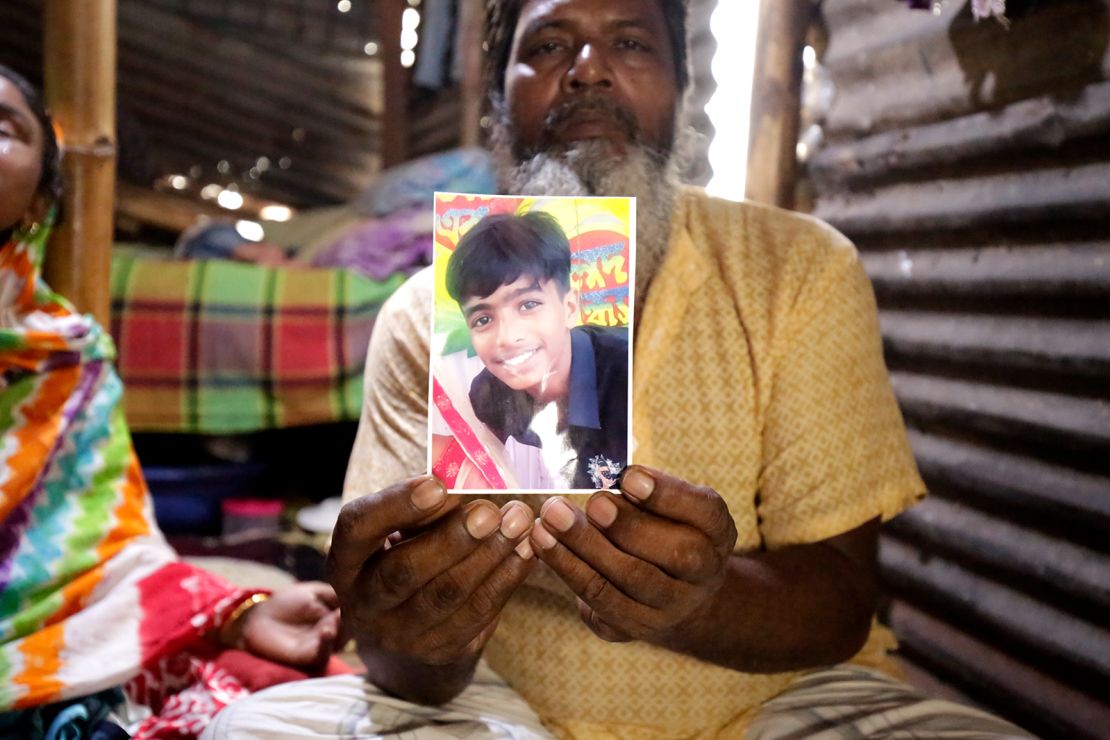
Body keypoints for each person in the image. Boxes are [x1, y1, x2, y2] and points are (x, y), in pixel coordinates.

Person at [210, 1, 1034, 737]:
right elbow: (405, 670)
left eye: (632, 43)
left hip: (772, 703)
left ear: (680, 93)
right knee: (250, 730)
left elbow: (842, 603)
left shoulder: (800, 269)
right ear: (499, 101)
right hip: (500, 706)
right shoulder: (426, 318)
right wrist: (403, 635)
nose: (589, 69)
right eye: (550, 44)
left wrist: (701, 598)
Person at [0, 65, 345, 739]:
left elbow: (110, 555)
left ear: (41, 198)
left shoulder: (65, 360)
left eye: (1, 128)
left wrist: (241, 614)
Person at [433, 211, 628, 491]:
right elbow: (490, 469)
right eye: (483, 320)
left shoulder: (629, 374)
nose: (507, 337)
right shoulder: (489, 394)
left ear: (570, 308)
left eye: (528, 305)